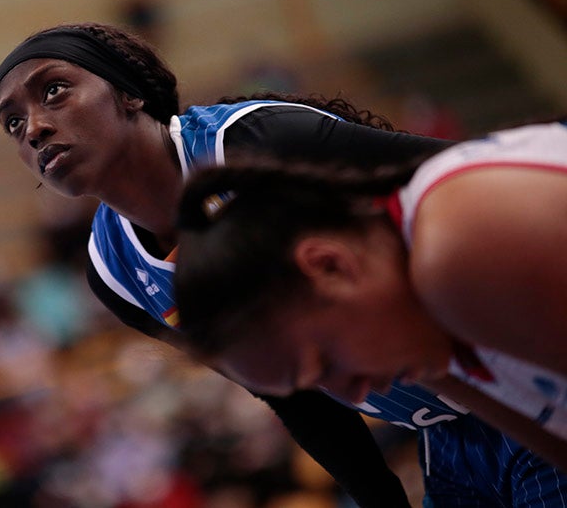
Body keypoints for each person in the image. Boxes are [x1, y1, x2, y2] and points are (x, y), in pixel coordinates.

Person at [0, 21, 567, 505]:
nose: (36, 128)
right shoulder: (114, 272)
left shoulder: (252, 138)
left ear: (127, 94)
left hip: (515, 357)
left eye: (55, 92)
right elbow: (293, 390)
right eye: (14, 123)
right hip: (444, 426)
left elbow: (465, 182)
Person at [172, 120, 567, 471]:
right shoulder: (425, 338)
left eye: (326, 363)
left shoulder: (455, 249)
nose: (357, 394)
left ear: (329, 265)